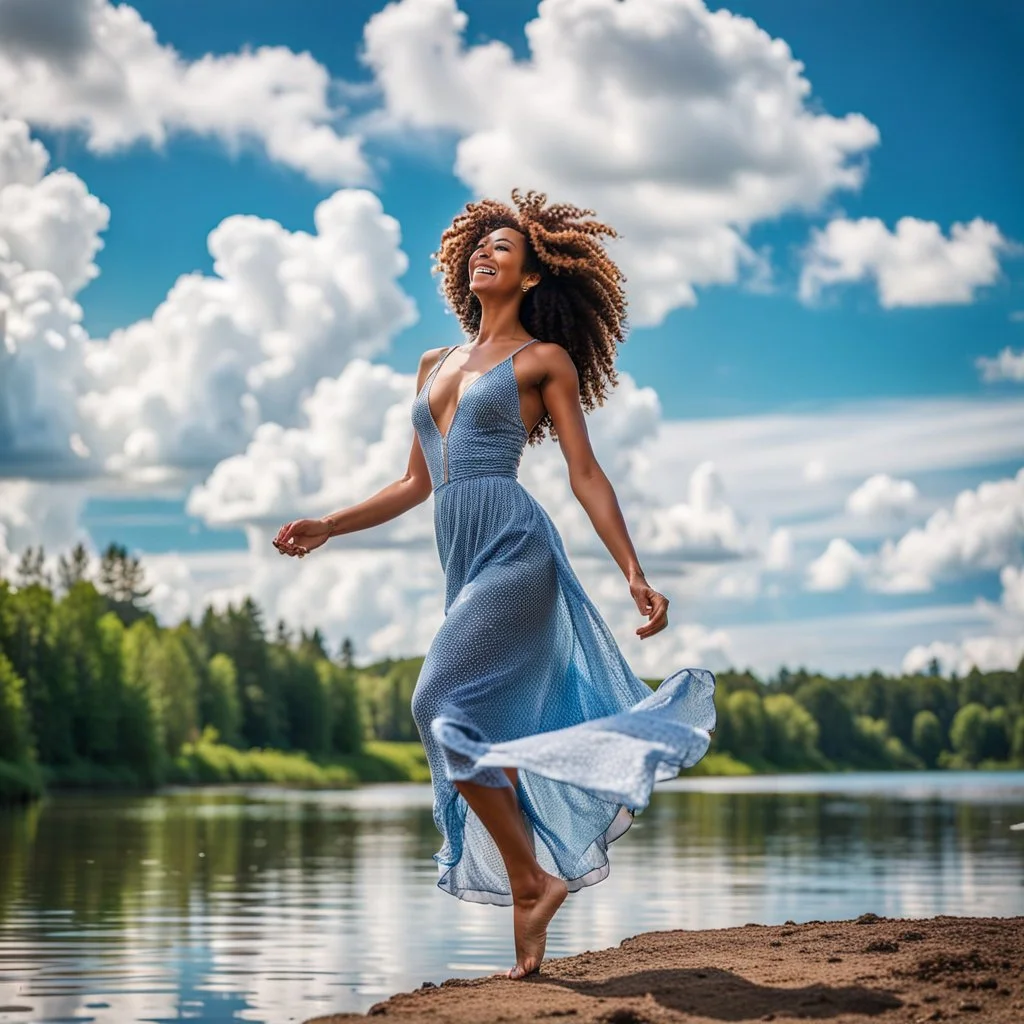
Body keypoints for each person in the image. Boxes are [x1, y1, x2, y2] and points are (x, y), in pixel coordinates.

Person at [273, 190, 717, 980]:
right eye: (478, 246)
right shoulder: (431, 364)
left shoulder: (542, 361)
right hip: (463, 560)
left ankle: (532, 877)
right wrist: (329, 523)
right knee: (474, 727)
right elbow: (417, 484)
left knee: (434, 703)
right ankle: (530, 901)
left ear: (535, 277)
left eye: (504, 248)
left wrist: (634, 571)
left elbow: (585, 473)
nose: (485, 253)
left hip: (516, 550)